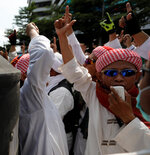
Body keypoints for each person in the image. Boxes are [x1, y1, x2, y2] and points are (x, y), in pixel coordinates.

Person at [55, 6, 150, 154]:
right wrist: (62, 36)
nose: (119, 78)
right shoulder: (93, 92)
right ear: (99, 76)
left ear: (137, 76)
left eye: (127, 72)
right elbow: (73, 69)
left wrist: (129, 118)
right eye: (111, 73)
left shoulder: (144, 101)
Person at [18, 22, 68, 155]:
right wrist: (33, 32)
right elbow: (43, 53)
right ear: (25, 75)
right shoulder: (30, 95)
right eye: (46, 68)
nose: (48, 72)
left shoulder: (35, 96)